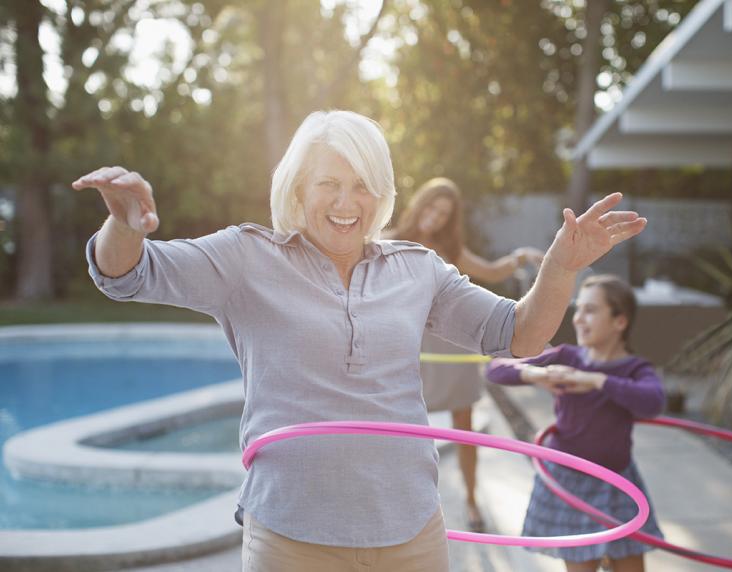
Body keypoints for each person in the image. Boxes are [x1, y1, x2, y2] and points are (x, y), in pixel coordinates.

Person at [73, 110, 646, 572]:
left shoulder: (418, 268)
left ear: (382, 194)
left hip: (410, 534)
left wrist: (559, 268)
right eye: (329, 184)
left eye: (362, 186)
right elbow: (130, 275)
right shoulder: (246, 257)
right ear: (298, 188)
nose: (347, 203)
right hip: (292, 537)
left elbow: (519, 334)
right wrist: (123, 226)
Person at [387, 177, 543, 532]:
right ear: (420, 203)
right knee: (404, 428)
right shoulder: (388, 241)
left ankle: (471, 500)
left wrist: (522, 257)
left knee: (464, 426)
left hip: (451, 346)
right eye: (432, 207)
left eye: (444, 213)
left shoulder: (450, 250)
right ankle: (402, 503)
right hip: (410, 347)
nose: (435, 217)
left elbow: (492, 270)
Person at [484, 274, 665, 572]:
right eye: (578, 309)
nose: (578, 319)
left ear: (620, 321)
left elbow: (653, 402)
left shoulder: (634, 369)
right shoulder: (567, 357)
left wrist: (596, 380)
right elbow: (495, 369)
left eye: (590, 310)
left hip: (617, 481)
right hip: (569, 481)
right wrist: (536, 374)